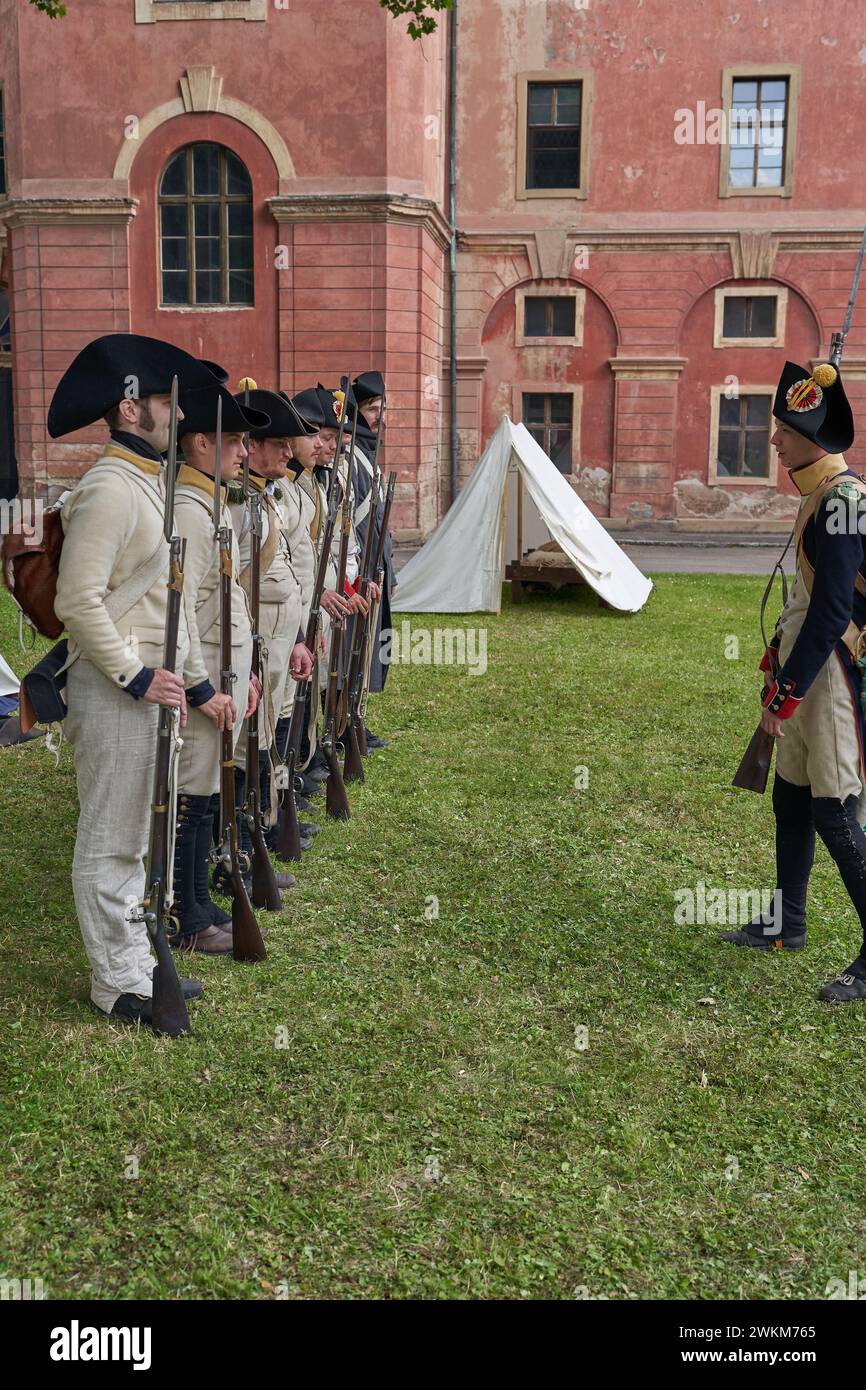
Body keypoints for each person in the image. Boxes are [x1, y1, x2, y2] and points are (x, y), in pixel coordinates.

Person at [49, 333, 225, 1027]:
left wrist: (172, 677)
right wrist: (133, 674)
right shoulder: (110, 490)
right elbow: (77, 600)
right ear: (129, 409)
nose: (178, 417)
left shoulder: (141, 484)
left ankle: (137, 959)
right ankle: (114, 980)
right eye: (164, 402)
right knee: (110, 836)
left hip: (151, 684)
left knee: (137, 836)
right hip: (119, 685)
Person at [721, 359, 866, 1003]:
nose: (774, 439)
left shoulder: (842, 503)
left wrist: (785, 693)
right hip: (806, 670)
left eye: (782, 428)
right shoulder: (821, 495)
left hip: (830, 676)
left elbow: (835, 611)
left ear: (812, 434)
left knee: (835, 816)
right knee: (791, 796)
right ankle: (788, 923)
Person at [169, 382, 286, 954]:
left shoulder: (210, 504)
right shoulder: (191, 513)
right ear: (198, 445)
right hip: (204, 684)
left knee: (210, 790)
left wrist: (244, 674)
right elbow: (183, 613)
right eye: (235, 441)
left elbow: (231, 600)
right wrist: (201, 689)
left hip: (225, 677)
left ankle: (198, 898)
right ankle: (185, 912)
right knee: (192, 796)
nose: (245, 451)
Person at [228, 387, 317, 850]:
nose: (289, 451)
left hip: (281, 636)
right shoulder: (240, 503)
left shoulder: (268, 496)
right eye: (280, 443)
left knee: (274, 730)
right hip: (257, 637)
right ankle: (246, 842)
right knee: (250, 743)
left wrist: (299, 635)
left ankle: (270, 818)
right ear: (255, 446)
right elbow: (234, 587)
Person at [351, 370, 395, 746]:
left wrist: (389, 571)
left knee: (366, 652)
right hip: (359, 571)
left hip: (375, 570)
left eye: (382, 408)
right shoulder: (353, 457)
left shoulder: (369, 455)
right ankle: (345, 727)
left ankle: (356, 720)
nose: (379, 415)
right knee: (352, 653)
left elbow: (381, 520)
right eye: (371, 408)